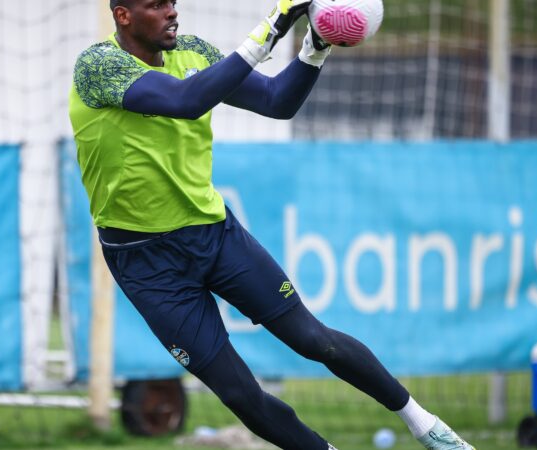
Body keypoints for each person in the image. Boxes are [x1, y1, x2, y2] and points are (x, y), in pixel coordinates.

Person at [68, 1, 476, 449]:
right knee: (241, 395)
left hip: (214, 234)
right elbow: (184, 101)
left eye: (172, 1)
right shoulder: (97, 66)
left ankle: (430, 429)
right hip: (145, 263)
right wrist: (273, 24)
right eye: (155, 4)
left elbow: (276, 101)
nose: (171, 11)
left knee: (314, 339)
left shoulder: (194, 53)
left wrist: (314, 48)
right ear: (123, 15)